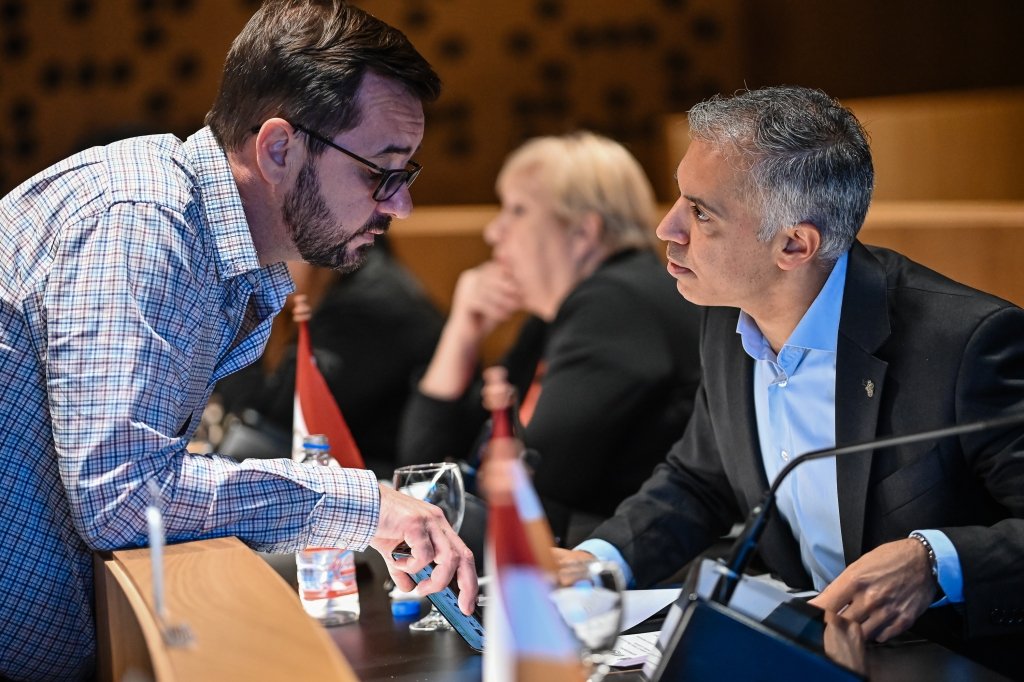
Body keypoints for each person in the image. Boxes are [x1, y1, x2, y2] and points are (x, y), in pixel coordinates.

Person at [0, 2, 477, 680]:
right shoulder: (142, 223)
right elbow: (123, 498)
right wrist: (362, 505)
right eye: (381, 171)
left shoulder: (190, 229)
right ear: (278, 148)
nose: (401, 205)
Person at [556, 85, 1024, 676]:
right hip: (798, 650)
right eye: (679, 197)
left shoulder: (967, 343)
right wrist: (599, 563)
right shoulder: (727, 311)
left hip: (945, 659)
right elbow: (700, 480)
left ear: (794, 245)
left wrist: (936, 562)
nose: (667, 227)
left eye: (701, 212)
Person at [398, 131, 703, 547]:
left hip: (638, 565)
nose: (494, 232)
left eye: (517, 209)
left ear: (583, 231)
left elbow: (527, 493)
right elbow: (425, 472)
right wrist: (461, 332)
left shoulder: (615, 305)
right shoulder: (557, 316)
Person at [215, 236, 444, 478]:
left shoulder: (370, 308)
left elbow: (267, 420)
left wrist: (242, 311)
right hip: (361, 474)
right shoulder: (353, 280)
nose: (261, 271)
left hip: (389, 484)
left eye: (270, 254)